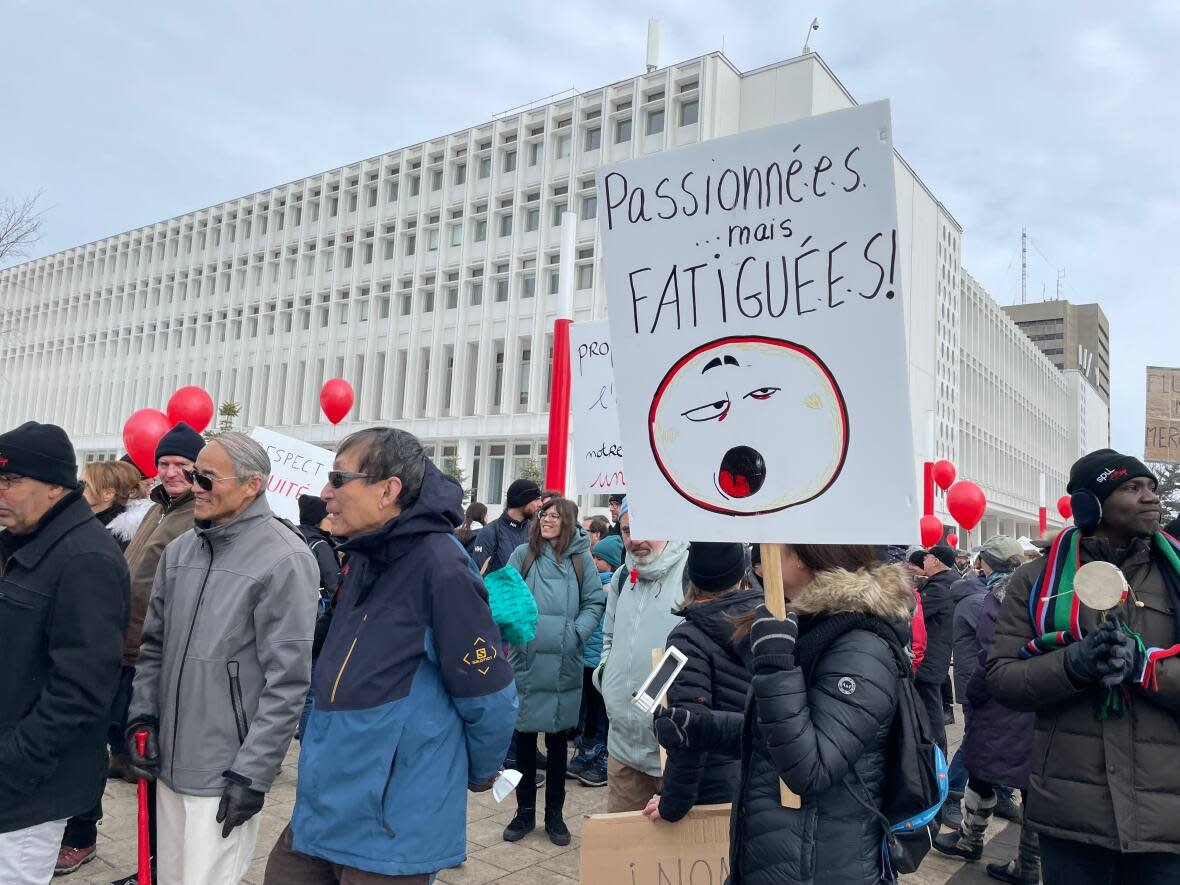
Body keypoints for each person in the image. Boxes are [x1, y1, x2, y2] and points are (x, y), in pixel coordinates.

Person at [265, 428, 517, 884]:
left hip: (392, 815)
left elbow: (490, 693)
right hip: (327, 798)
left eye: (338, 479)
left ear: (388, 490)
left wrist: (480, 771)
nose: (325, 494)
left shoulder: (441, 566)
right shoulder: (363, 555)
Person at [125, 433, 318, 885]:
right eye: (194, 476)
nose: (194, 486)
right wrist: (142, 719)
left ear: (252, 485)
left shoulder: (286, 558)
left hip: (225, 772)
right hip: (166, 762)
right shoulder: (179, 551)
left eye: (206, 478)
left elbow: (288, 681)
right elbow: (154, 647)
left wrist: (252, 774)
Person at [656, 544, 914, 884]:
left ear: (807, 557)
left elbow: (812, 768)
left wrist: (777, 667)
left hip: (818, 865)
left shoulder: (860, 646)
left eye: (775, 546)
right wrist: (703, 727)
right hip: (777, 854)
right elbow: (777, 735)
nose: (762, 557)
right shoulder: (812, 625)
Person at [988, 449, 1180, 884]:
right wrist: (1073, 664)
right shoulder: (1034, 581)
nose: (1151, 498)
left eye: (1152, 487)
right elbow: (1002, 679)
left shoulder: (1176, 576)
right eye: (1132, 488)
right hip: (1071, 815)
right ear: (1089, 505)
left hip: (1166, 818)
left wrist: (1145, 669)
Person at [0, 422, 130, 885]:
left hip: (28, 788)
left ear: (55, 486)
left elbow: (82, 688)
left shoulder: (84, 558)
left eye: (11, 481)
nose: (0, 492)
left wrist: (13, 761)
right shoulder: (22, 539)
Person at [99, 423, 205, 885]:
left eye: (182, 464)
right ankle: (149, 864)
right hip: (122, 646)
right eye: (164, 463)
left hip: (153, 653)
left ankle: (160, 866)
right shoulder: (156, 508)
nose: (172, 471)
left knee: (153, 768)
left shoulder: (197, 515)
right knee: (129, 759)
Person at [502, 497, 605, 845]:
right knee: (525, 743)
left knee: (559, 744)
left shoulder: (580, 559)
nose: (547, 520)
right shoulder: (523, 555)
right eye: (544, 514)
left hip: (564, 662)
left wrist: (576, 633)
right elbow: (506, 597)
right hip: (527, 661)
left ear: (568, 522)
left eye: (555, 515)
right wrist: (516, 632)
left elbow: (594, 601)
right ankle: (524, 813)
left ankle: (555, 817)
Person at [935, 534, 1037, 881]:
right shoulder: (1040, 594)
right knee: (1030, 781)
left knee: (980, 770)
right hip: (1033, 700)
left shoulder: (999, 598)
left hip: (997, 700)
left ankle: (970, 839)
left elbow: (991, 656)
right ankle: (1028, 863)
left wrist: (975, 692)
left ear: (987, 563)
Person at [645, 542, 760, 823]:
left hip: (712, 789)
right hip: (765, 780)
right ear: (741, 574)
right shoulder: (770, 620)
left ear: (691, 577)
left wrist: (672, 804)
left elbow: (689, 729)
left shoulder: (687, 638)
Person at [593, 500, 689, 812]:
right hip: (622, 746)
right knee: (626, 855)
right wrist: (606, 678)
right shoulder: (622, 577)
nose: (636, 539)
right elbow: (609, 637)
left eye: (648, 528)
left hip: (673, 749)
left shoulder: (692, 577)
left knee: (672, 855)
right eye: (627, 530)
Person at [569, 534, 623, 787]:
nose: (593, 559)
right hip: (586, 658)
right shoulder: (588, 583)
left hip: (602, 661)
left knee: (602, 710)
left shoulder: (617, 585)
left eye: (598, 557)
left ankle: (602, 753)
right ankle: (587, 748)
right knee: (589, 709)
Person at [295, 493, 340, 741]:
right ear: (319, 519)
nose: (333, 519)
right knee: (311, 692)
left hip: (296, 623)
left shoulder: (295, 538)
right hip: (315, 623)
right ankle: (307, 739)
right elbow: (335, 586)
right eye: (329, 515)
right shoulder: (320, 545)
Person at [915, 544, 957, 751]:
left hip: (930, 657)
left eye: (927, 557)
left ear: (936, 561)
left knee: (932, 714)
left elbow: (914, 614)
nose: (924, 561)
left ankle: (937, 759)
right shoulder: (951, 582)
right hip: (937, 655)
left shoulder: (938, 588)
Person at [471, 478, 542, 574]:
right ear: (522, 500)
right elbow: (478, 575)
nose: (540, 504)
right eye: (537, 499)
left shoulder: (535, 530)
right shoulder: (490, 532)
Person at [80, 459, 151, 552]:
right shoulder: (87, 521)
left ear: (108, 494)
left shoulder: (116, 539)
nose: (78, 489)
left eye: (85, 484)